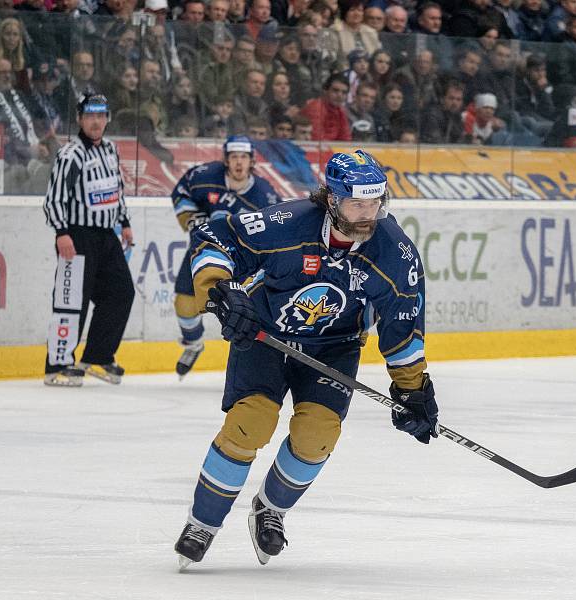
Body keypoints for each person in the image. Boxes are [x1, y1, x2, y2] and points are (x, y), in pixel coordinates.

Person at [174, 150, 438, 569]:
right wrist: (222, 289)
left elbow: (402, 326)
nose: (368, 213)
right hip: (264, 335)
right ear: (331, 199)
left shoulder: (395, 253)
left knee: (318, 435)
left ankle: (270, 510)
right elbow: (215, 238)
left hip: (334, 348)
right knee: (250, 422)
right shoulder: (286, 223)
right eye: (356, 203)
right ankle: (202, 524)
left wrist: (413, 389)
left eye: (375, 203)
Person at [42, 94, 135, 387]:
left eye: (102, 115)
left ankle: (97, 356)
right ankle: (57, 365)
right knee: (71, 300)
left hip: (106, 236)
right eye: (90, 115)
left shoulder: (110, 149)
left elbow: (116, 189)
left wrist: (125, 222)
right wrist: (61, 233)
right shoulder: (71, 155)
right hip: (77, 235)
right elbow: (54, 198)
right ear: (80, 119)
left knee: (121, 292)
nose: (96, 121)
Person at [170, 135, 281, 378]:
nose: (239, 163)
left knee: (245, 311)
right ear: (225, 159)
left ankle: (253, 367)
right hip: (205, 252)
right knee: (184, 303)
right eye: (234, 157)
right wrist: (190, 218)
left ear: (252, 161)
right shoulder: (204, 176)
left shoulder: (265, 195)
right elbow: (181, 192)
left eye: (244, 157)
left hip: (245, 260)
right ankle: (193, 343)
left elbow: (277, 232)